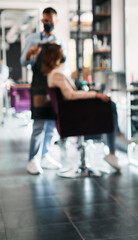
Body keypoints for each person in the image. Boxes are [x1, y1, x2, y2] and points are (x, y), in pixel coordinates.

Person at [41, 43, 121, 170]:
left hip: (71, 114)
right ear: (56, 56)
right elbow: (70, 95)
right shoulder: (56, 74)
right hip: (74, 117)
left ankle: (116, 137)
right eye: (61, 52)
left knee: (110, 106)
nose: (63, 55)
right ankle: (113, 149)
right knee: (109, 105)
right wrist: (95, 94)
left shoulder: (53, 73)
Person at [20, 7, 63, 175]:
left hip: (53, 87)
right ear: (42, 21)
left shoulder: (59, 42)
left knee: (51, 124)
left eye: (51, 21)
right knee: (39, 124)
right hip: (38, 85)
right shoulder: (32, 39)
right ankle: (33, 159)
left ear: (55, 21)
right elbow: (24, 62)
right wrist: (31, 54)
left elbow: (62, 63)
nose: (48, 24)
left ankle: (45, 156)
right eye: (46, 21)